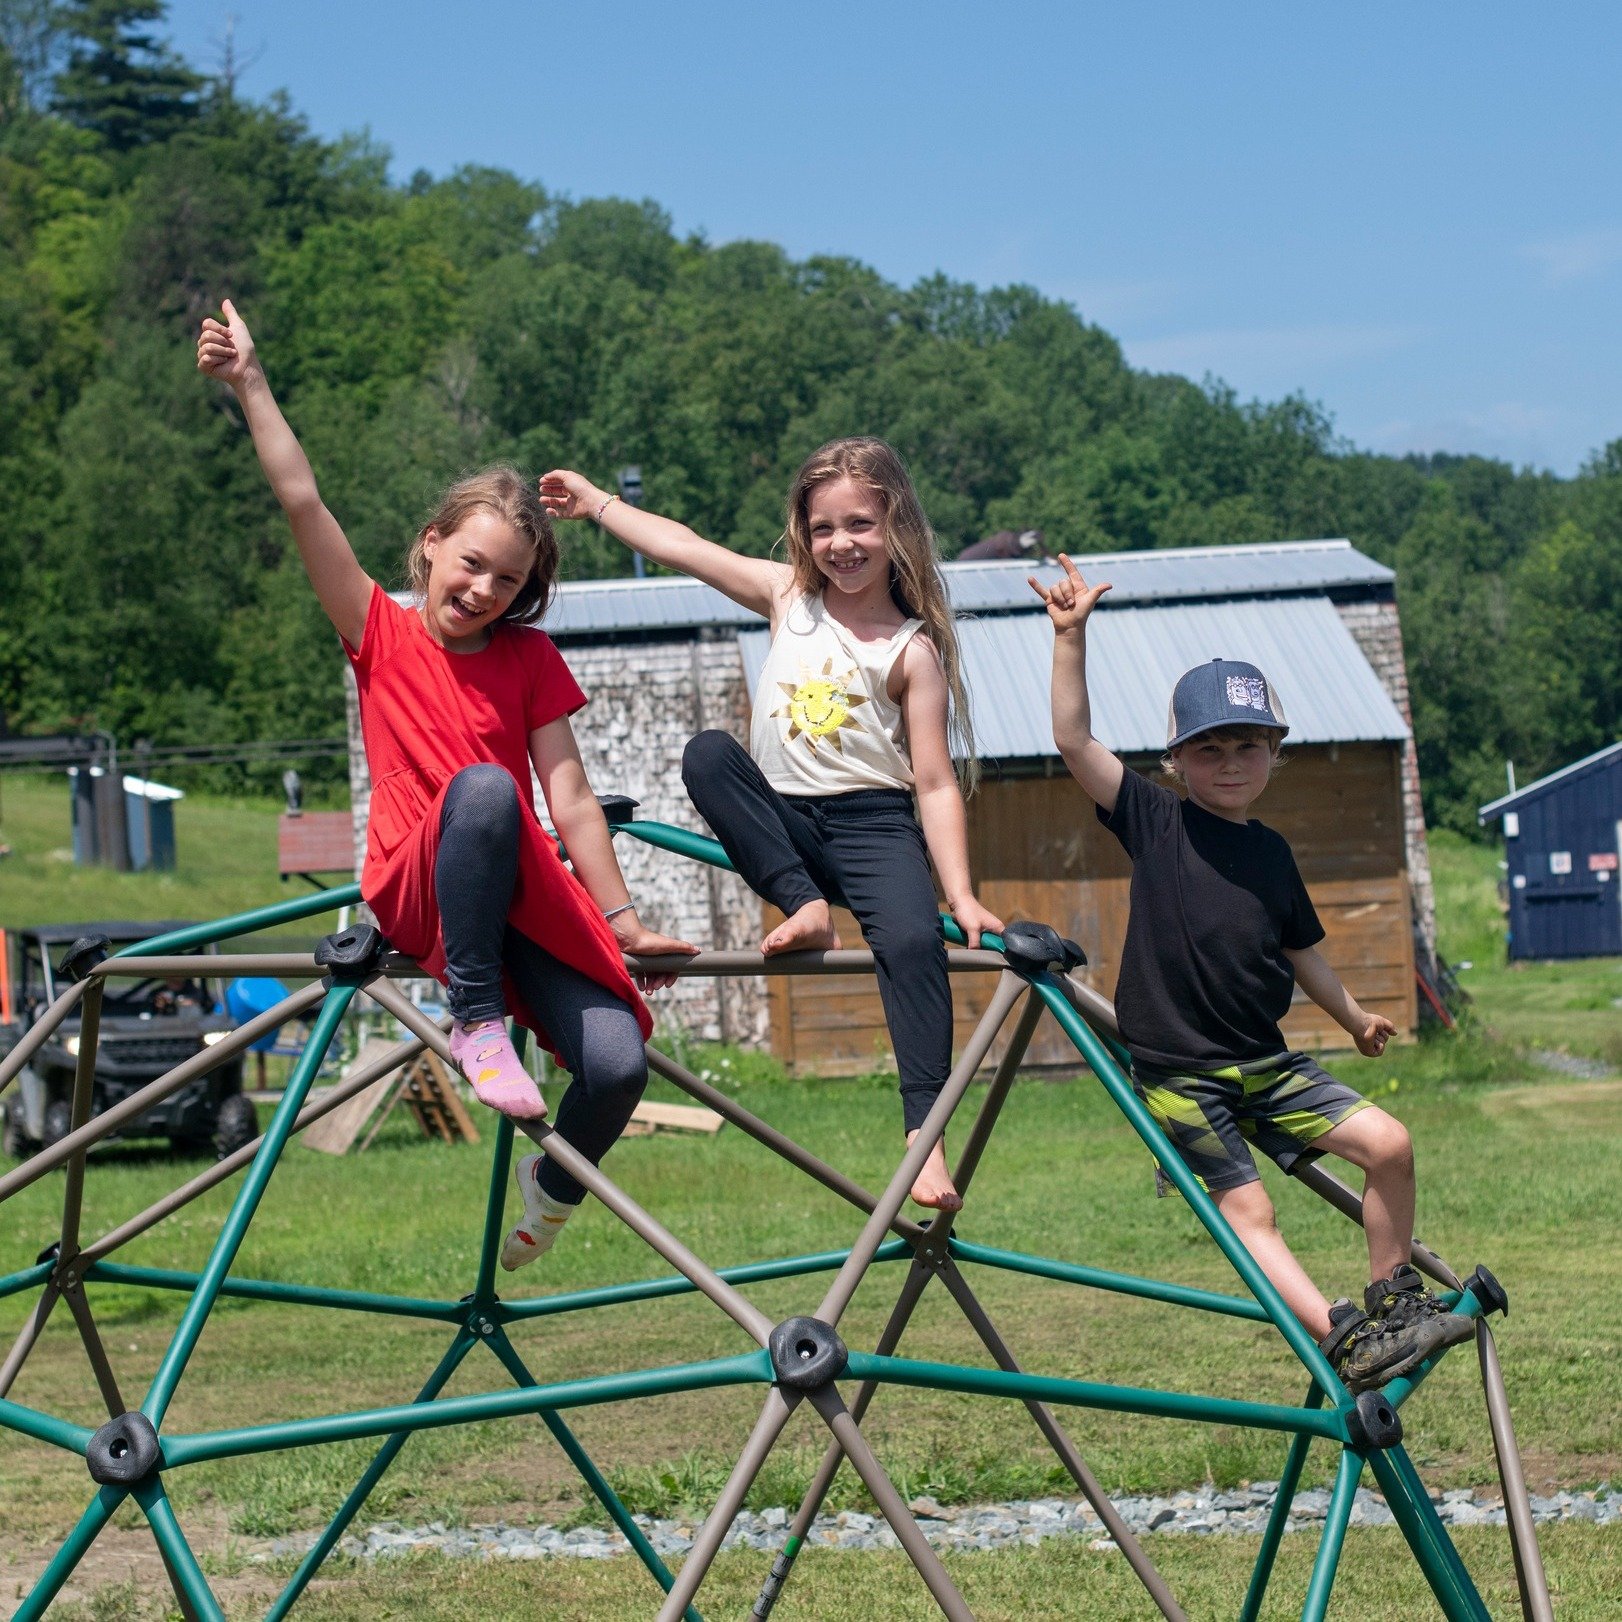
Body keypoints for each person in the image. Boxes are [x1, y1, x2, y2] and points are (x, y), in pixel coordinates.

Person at [197, 300, 696, 1270]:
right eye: (470, 563)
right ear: (430, 544)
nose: (482, 590)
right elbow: (303, 500)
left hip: (519, 888)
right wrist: (251, 383)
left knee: (616, 1062)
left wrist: (623, 920)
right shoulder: (377, 630)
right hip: (418, 874)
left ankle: (548, 1195)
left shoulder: (526, 659)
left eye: (506, 581)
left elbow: (574, 799)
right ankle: (474, 1020)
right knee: (480, 789)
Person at [1033, 554, 1472, 1391]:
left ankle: (1393, 1299)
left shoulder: (1271, 853)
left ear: (1274, 754)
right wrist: (1070, 637)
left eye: (1247, 746)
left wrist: (1351, 1018)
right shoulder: (1154, 819)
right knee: (1253, 1212)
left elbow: (1303, 948)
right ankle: (1344, 1336)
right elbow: (1071, 740)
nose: (1228, 763)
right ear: (1178, 762)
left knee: (1389, 1143)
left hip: (1265, 1065)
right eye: (1208, 750)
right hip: (1182, 1076)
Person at [539, 439, 1003, 1213]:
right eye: (823, 528)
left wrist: (960, 892)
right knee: (709, 756)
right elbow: (683, 547)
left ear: (898, 530)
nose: (841, 544)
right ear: (802, 533)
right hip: (783, 822)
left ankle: (926, 1136)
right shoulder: (790, 597)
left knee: (915, 944)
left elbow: (933, 782)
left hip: (873, 825)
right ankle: (805, 906)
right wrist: (597, 506)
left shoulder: (911, 649)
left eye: (860, 524)